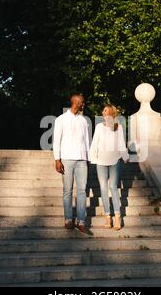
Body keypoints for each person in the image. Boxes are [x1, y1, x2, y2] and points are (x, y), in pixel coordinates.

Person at [53, 93, 91, 234]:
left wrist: (87, 159)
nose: (83, 104)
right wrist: (57, 160)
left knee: (82, 191)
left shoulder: (83, 120)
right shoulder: (61, 119)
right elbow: (57, 140)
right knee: (67, 190)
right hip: (67, 159)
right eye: (82, 102)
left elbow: (86, 141)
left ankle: (81, 221)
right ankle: (68, 219)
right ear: (76, 102)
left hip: (81, 160)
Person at [89, 105, 129, 230]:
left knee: (113, 186)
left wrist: (125, 156)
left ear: (111, 112)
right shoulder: (99, 127)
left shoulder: (119, 127)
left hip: (115, 160)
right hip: (101, 161)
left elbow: (122, 144)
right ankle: (107, 216)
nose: (103, 112)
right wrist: (92, 158)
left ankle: (117, 216)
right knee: (103, 187)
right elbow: (95, 143)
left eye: (105, 110)